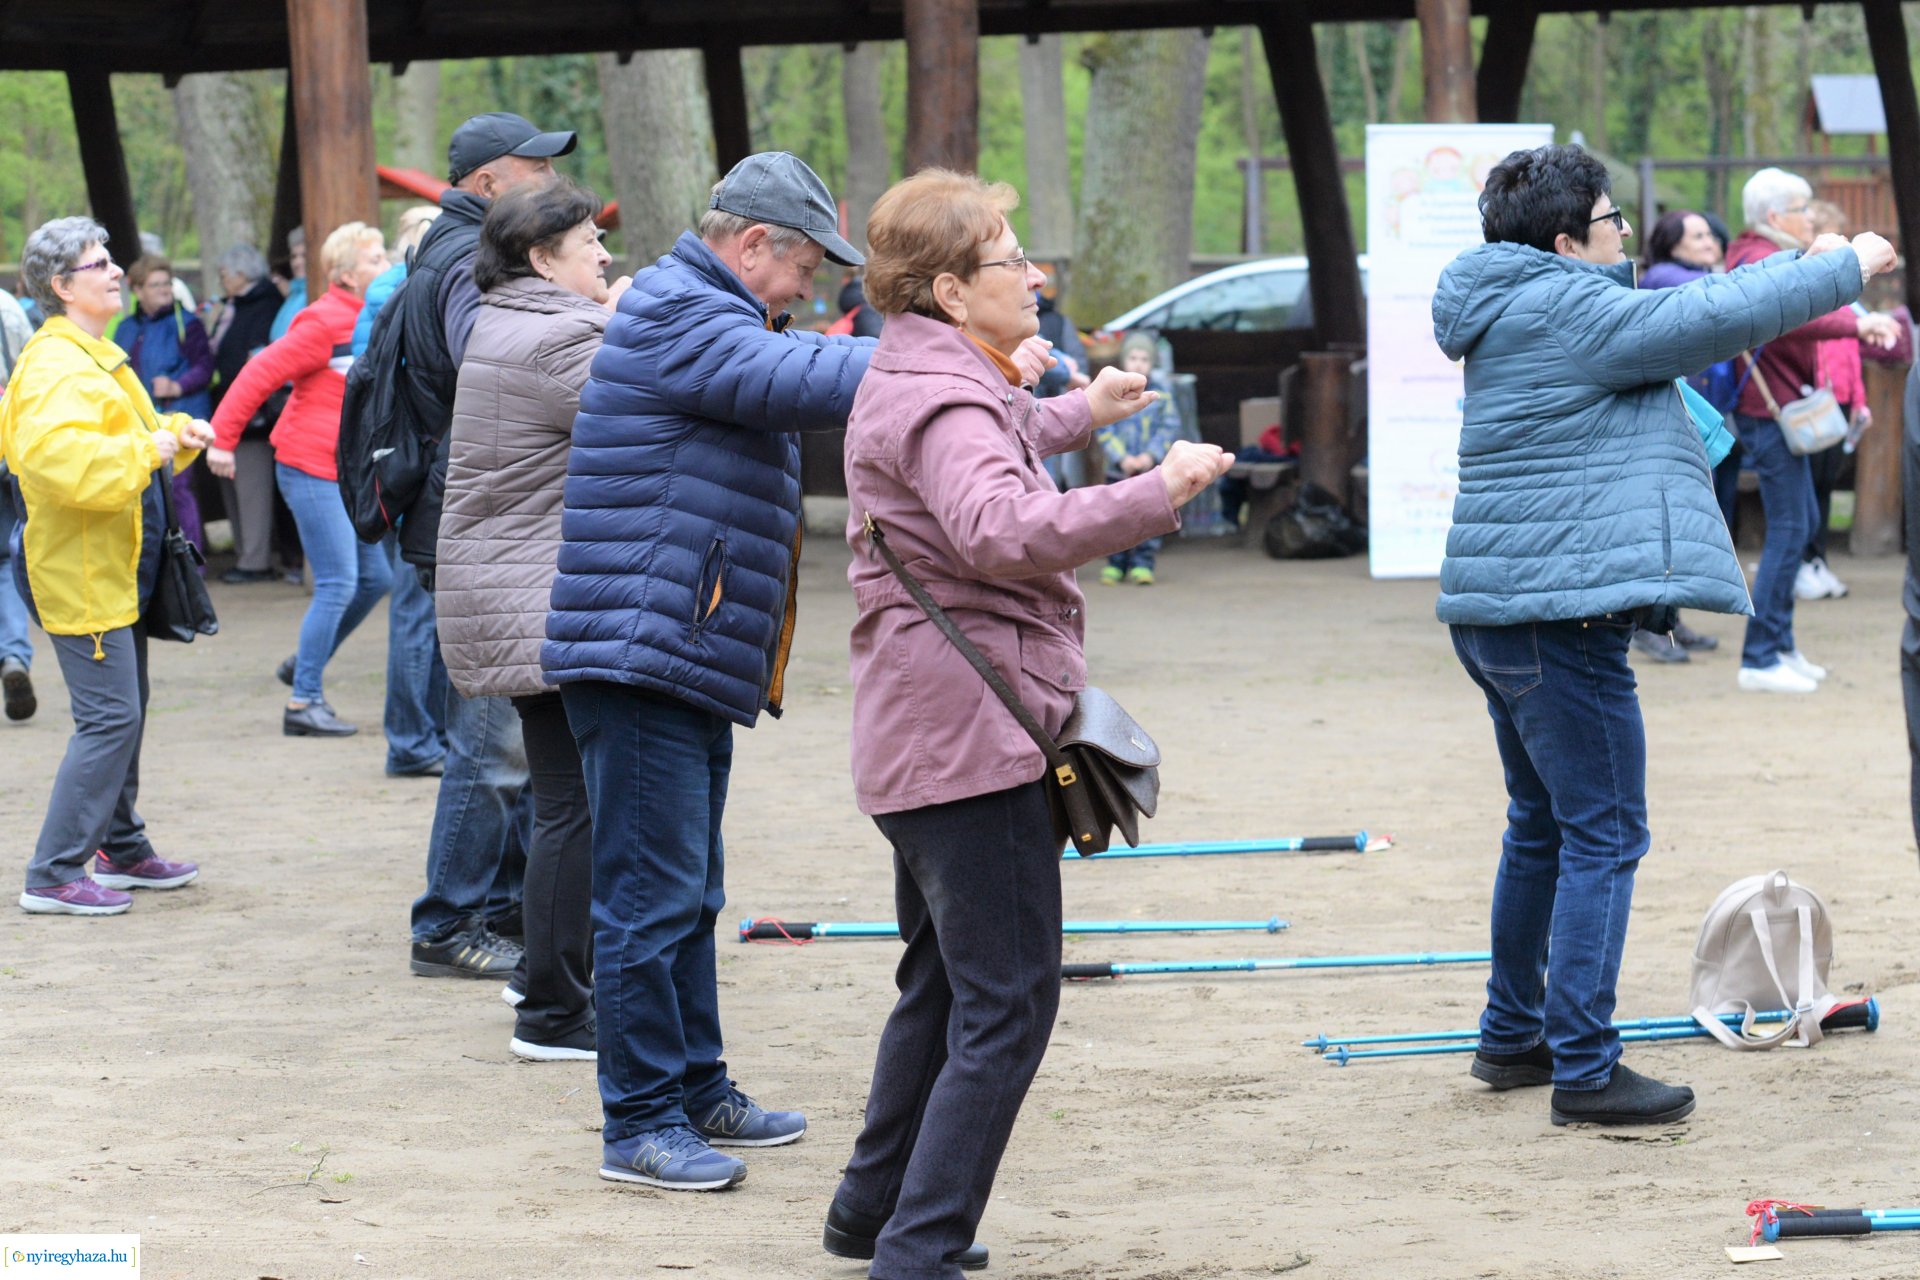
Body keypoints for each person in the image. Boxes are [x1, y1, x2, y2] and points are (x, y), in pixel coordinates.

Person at [1431, 143, 1893, 1125]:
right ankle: (1585, 1064)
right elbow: (1714, 314)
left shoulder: (1513, 300)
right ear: (1567, 242)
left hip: (1502, 611)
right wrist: (1847, 264)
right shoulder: (1572, 306)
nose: (1624, 240)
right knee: (1604, 832)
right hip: (1556, 620)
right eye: (1611, 224)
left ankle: (1514, 1033)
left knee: (1543, 825)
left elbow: (1713, 297)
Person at [827, 169, 1232, 1278]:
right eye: (1011, 257)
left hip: (927, 732)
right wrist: (1160, 490)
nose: (1035, 274)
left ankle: (873, 1211)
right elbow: (999, 526)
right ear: (954, 291)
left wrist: (1081, 413)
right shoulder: (947, 392)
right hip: (972, 743)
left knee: (946, 981)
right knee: (1006, 1004)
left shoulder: (923, 368)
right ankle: (919, 1244)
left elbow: (982, 449)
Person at [541, 151, 882, 1191]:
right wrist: (945, 351)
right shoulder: (682, 311)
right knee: (649, 894)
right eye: (811, 265)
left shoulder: (710, 308)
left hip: (675, 648)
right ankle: (639, 1120)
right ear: (751, 246)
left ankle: (696, 1087)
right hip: (644, 651)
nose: (815, 285)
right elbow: (813, 382)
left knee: (688, 890)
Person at [439, 180, 626, 1060]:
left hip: (514, 593)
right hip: (536, 600)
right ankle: (553, 1010)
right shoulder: (561, 334)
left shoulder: (506, 320)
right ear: (541, 260)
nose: (604, 255)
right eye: (588, 243)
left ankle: (541, 977)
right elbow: (644, 417)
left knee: (564, 800)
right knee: (574, 806)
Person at [391, 111, 578, 982]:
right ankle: (448, 921)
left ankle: (501, 904)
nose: (548, 179)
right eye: (533, 166)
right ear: (488, 182)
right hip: (481, 528)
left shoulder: (456, 248)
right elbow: (498, 367)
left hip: (474, 520)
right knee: (492, 736)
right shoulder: (464, 261)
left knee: (513, 735)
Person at [2, 216, 216, 915]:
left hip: (115, 566)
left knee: (127, 711)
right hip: (81, 571)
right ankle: (54, 871)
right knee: (111, 718)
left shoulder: (94, 352)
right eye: (98, 264)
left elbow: (136, 437)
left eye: (108, 259)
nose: (115, 270)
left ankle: (119, 848)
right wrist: (147, 453)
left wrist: (177, 437)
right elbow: (60, 467)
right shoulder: (55, 365)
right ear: (62, 286)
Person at [206, 222, 393, 736]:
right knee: (338, 583)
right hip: (309, 465)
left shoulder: (375, 317)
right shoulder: (323, 320)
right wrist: (222, 439)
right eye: (377, 258)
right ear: (348, 275)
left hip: (348, 471)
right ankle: (302, 702)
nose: (388, 263)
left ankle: (302, 664)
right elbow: (259, 373)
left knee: (377, 579)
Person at [1724, 169, 1900, 694]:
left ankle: (1779, 645)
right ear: (1776, 216)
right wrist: (1857, 322)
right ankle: (1759, 656)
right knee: (1788, 530)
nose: (1811, 216)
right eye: (1804, 207)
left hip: (1780, 409)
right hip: (1769, 411)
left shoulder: (1762, 250)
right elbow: (1793, 316)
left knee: (1798, 525)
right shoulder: (1755, 255)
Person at [355, 203, 448, 779]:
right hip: (410, 464)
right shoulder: (400, 292)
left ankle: (426, 733)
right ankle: (412, 740)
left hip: (412, 461)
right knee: (414, 610)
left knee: (425, 609)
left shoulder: (402, 289)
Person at [1631, 210, 1731, 665]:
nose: (1709, 241)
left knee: (1677, 529)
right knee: (1660, 531)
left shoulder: (1689, 275)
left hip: (1684, 420)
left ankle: (1668, 620)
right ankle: (1646, 626)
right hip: (1665, 425)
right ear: (1671, 243)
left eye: (1711, 233)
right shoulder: (1668, 276)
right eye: (1697, 235)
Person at [112, 254, 214, 556]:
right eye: (155, 285)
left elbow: (205, 366)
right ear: (138, 290)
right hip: (140, 421)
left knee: (178, 490)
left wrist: (177, 385)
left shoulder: (188, 323)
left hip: (180, 416)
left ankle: (191, 561)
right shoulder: (125, 327)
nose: (164, 290)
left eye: (167, 283)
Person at [207, 244, 295, 584]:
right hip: (230, 413)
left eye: (225, 274)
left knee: (252, 489)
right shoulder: (235, 306)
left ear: (242, 273)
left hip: (254, 419)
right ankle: (246, 554)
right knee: (235, 490)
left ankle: (256, 559)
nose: (223, 280)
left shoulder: (266, 305)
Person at [1795, 200, 1868, 603]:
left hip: (1840, 400)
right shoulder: (1809, 287)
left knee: (1826, 482)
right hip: (1812, 399)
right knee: (1807, 483)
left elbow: (1852, 347)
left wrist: (1859, 397)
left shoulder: (1846, 291)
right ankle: (1802, 561)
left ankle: (1818, 559)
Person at [1095, 331, 1183, 585]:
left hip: (1149, 468)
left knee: (1149, 516)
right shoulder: (1113, 391)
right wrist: (1121, 457)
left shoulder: (1162, 392)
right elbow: (1102, 426)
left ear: (1152, 362)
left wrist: (1150, 455)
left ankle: (1143, 563)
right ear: (1124, 360)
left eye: (1144, 358)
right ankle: (1115, 563)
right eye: (1133, 357)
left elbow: (1170, 425)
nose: (1138, 363)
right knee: (1114, 515)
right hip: (1118, 468)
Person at [270, 227, 308, 340]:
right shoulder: (293, 294)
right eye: (294, 256)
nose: (297, 262)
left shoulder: (317, 292)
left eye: (304, 256)